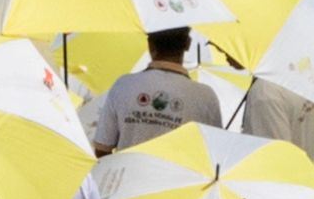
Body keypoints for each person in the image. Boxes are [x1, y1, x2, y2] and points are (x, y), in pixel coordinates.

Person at [91, 28, 225, 152]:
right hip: (182, 178)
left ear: (149, 44)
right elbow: (215, 153)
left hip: (129, 175)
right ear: (188, 43)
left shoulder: (124, 85)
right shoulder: (206, 97)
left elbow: (102, 148)